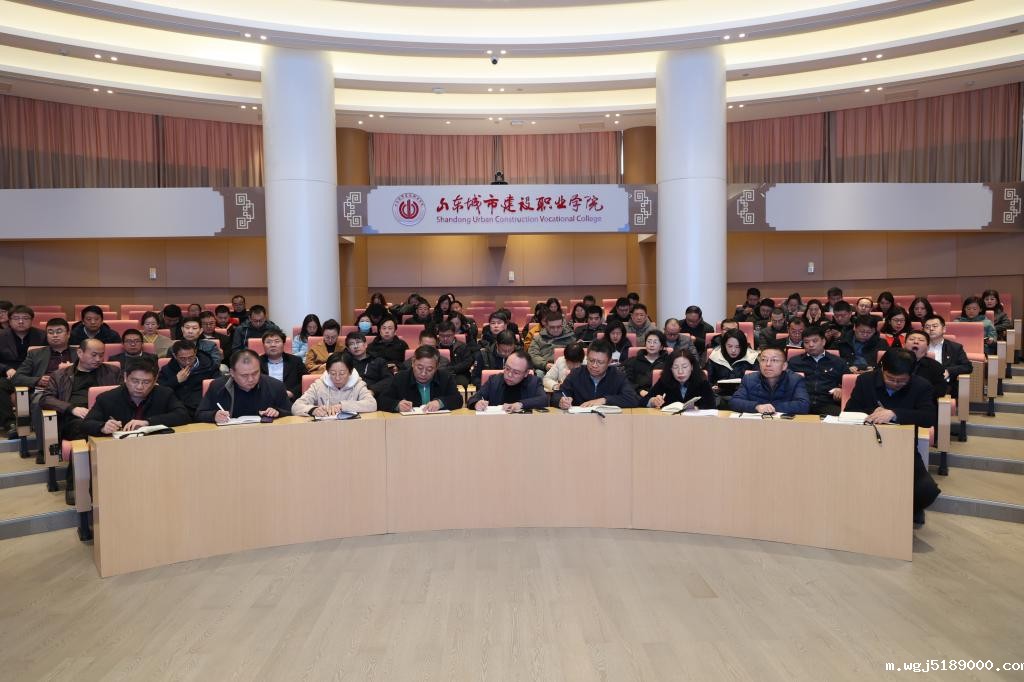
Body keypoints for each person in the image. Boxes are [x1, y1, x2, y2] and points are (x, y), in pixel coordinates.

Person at [845, 348, 940, 525]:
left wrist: (894, 413)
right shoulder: (866, 380)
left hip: (902, 449)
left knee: (926, 490)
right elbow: (850, 410)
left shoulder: (922, 386)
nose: (895, 383)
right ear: (883, 369)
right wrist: (874, 412)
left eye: (902, 380)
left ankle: (909, 509)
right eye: (890, 378)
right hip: (865, 446)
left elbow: (928, 418)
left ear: (911, 374)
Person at [82, 358, 189, 437]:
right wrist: (102, 427)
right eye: (135, 381)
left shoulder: (164, 394)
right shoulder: (107, 398)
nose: (139, 387)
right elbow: (86, 424)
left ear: (155, 380)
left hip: (155, 445)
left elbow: (183, 415)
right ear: (125, 377)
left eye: (146, 382)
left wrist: (148, 422)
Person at [38, 338, 121, 442]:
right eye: (94, 355)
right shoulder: (60, 375)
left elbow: (124, 394)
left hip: (105, 415)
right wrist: (72, 409)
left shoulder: (113, 372)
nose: (98, 359)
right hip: (76, 418)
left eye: (101, 355)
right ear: (80, 353)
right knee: (81, 426)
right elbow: (46, 399)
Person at [196, 349, 293, 423]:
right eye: (244, 375)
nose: (251, 379)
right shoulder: (217, 386)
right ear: (232, 373)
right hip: (229, 435)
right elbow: (199, 414)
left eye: (255, 373)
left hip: (265, 435)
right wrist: (214, 416)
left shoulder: (275, 386)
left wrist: (278, 412)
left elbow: (290, 413)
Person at [376, 345, 464, 413]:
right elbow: (382, 400)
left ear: (437, 367)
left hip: (438, 423)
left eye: (429, 369)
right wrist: (397, 405)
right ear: (413, 362)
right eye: (420, 368)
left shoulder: (445, 377)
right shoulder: (401, 378)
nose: (423, 373)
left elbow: (458, 399)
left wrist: (440, 403)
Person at [557, 340, 639, 409]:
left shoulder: (618, 376)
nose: (594, 365)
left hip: (609, 420)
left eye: (600, 362)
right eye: (591, 360)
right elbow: (557, 395)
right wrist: (561, 401)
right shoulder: (575, 374)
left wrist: (604, 400)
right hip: (579, 419)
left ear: (609, 361)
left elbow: (633, 399)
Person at [787, 325, 849, 416]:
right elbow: (784, 383)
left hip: (828, 403)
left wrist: (841, 390)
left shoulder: (838, 362)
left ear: (823, 341)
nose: (811, 345)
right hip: (801, 403)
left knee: (843, 417)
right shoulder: (794, 362)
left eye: (815, 341)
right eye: (806, 342)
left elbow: (849, 386)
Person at [729, 346, 810, 415]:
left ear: (784, 366)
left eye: (774, 360)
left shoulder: (795, 380)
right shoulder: (749, 379)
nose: (768, 364)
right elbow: (734, 401)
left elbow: (804, 405)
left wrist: (771, 408)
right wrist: (757, 407)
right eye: (763, 360)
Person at [292, 351, 377, 416]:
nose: (337, 378)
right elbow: (296, 406)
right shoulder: (319, 385)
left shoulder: (358, 385)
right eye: (333, 373)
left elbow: (372, 404)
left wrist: (342, 406)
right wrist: (313, 410)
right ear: (328, 371)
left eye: (342, 373)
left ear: (350, 372)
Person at [158, 339, 221, 418]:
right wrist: (176, 380)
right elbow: (160, 391)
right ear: (174, 356)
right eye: (182, 359)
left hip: (204, 407)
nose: (187, 362)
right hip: (180, 409)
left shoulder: (209, 366)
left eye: (191, 358)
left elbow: (219, 386)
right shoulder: (167, 369)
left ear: (195, 352)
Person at [467, 350, 548, 412]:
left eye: (516, 372)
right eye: (507, 369)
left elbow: (543, 400)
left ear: (526, 373)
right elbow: (473, 399)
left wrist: (521, 404)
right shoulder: (494, 380)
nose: (509, 374)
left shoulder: (534, 382)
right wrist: (476, 403)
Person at [645, 347, 716, 410]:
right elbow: (643, 401)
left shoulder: (702, 382)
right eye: (675, 367)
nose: (680, 371)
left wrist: (696, 409)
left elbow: (712, 407)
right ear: (670, 368)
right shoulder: (664, 381)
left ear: (692, 367)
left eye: (684, 367)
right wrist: (653, 401)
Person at [923, 314, 972, 400]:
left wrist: (949, 371)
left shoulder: (955, 347)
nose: (931, 329)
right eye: (927, 327)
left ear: (944, 329)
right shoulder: (919, 346)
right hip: (923, 384)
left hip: (945, 385)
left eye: (935, 326)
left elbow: (967, 367)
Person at [706, 328, 759, 403]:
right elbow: (708, 380)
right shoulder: (715, 356)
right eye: (730, 346)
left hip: (745, 397)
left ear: (743, 346)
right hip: (720, 396)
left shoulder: (751, 357)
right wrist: (713, 387)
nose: (733, 350)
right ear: (724, 345)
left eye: (737, 347)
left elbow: (758, 381)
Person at [1, 305, 47, 379]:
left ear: (32, 320)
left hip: (35, 375)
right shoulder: (1, 336)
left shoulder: (43, 336)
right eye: (16, 318)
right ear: (9, 321)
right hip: (6, 375)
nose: (21, 322)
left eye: (25, 318)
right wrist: (6, 369)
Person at [259, 329, 306, 399]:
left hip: (289, 400)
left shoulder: (295, 361)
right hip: (263, 399)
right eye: (268, 342)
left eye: (277, 341)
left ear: (284, 344)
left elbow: (305, 381)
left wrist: (292, 393)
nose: (273, 345)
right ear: (263, 345)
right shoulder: (257, 362)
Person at [624, 329, 669, 398]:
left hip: (661, 397)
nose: (651, 345)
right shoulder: (634, 361)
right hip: (637, 396)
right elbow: (627, 381)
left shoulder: (668, 362)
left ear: (661, 347)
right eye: (649, 341)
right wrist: (640, 391)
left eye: (655, 342)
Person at [905, 329, 947, 399]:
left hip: (923, 402)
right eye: (911, 339)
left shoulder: (936, 366)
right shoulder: (893, 361)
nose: (915, 342)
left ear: (927, 347)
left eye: (921, 340)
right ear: (904, 345)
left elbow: (940, 391)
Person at [436, 321, 473, 386]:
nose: (445, 339)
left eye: (448, 336)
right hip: (438, 374)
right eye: (442, 336)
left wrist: (452, 369)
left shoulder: (462, 346)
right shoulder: (435, 347)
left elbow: (467, 363)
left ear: (454, 334)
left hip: (458, 374)